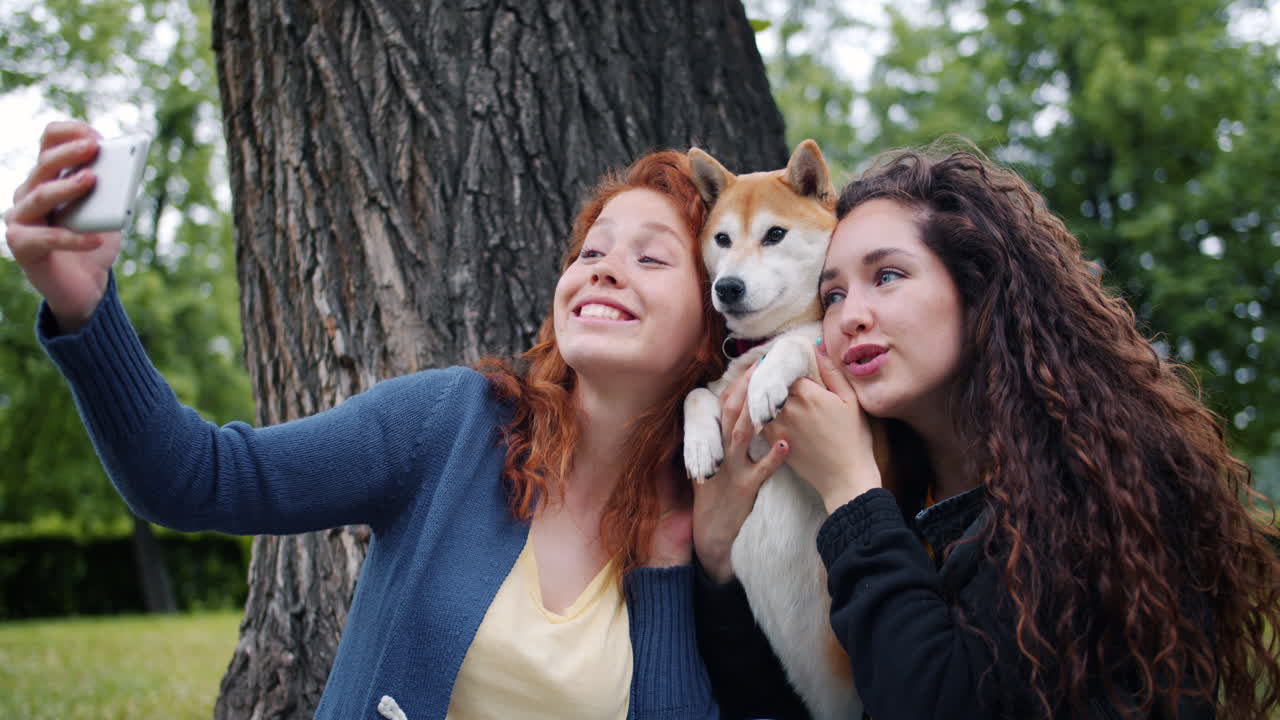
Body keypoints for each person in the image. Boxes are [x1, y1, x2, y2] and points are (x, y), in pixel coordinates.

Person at [5, 120, 792, 719]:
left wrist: (669, 563)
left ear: (712, 323)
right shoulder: (454, 425)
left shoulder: (724, 514)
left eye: (651, 258)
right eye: (591, 249)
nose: (602, 266)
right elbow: (196, 478)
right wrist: (84, 305)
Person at [702, 144, 1280, 719]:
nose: (850, 314)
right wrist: (719, 560)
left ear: (977, 289)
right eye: (832, 294)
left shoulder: (1098, 499)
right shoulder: (910, 494)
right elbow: (778, 700)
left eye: (888, 276)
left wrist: (851, 491)